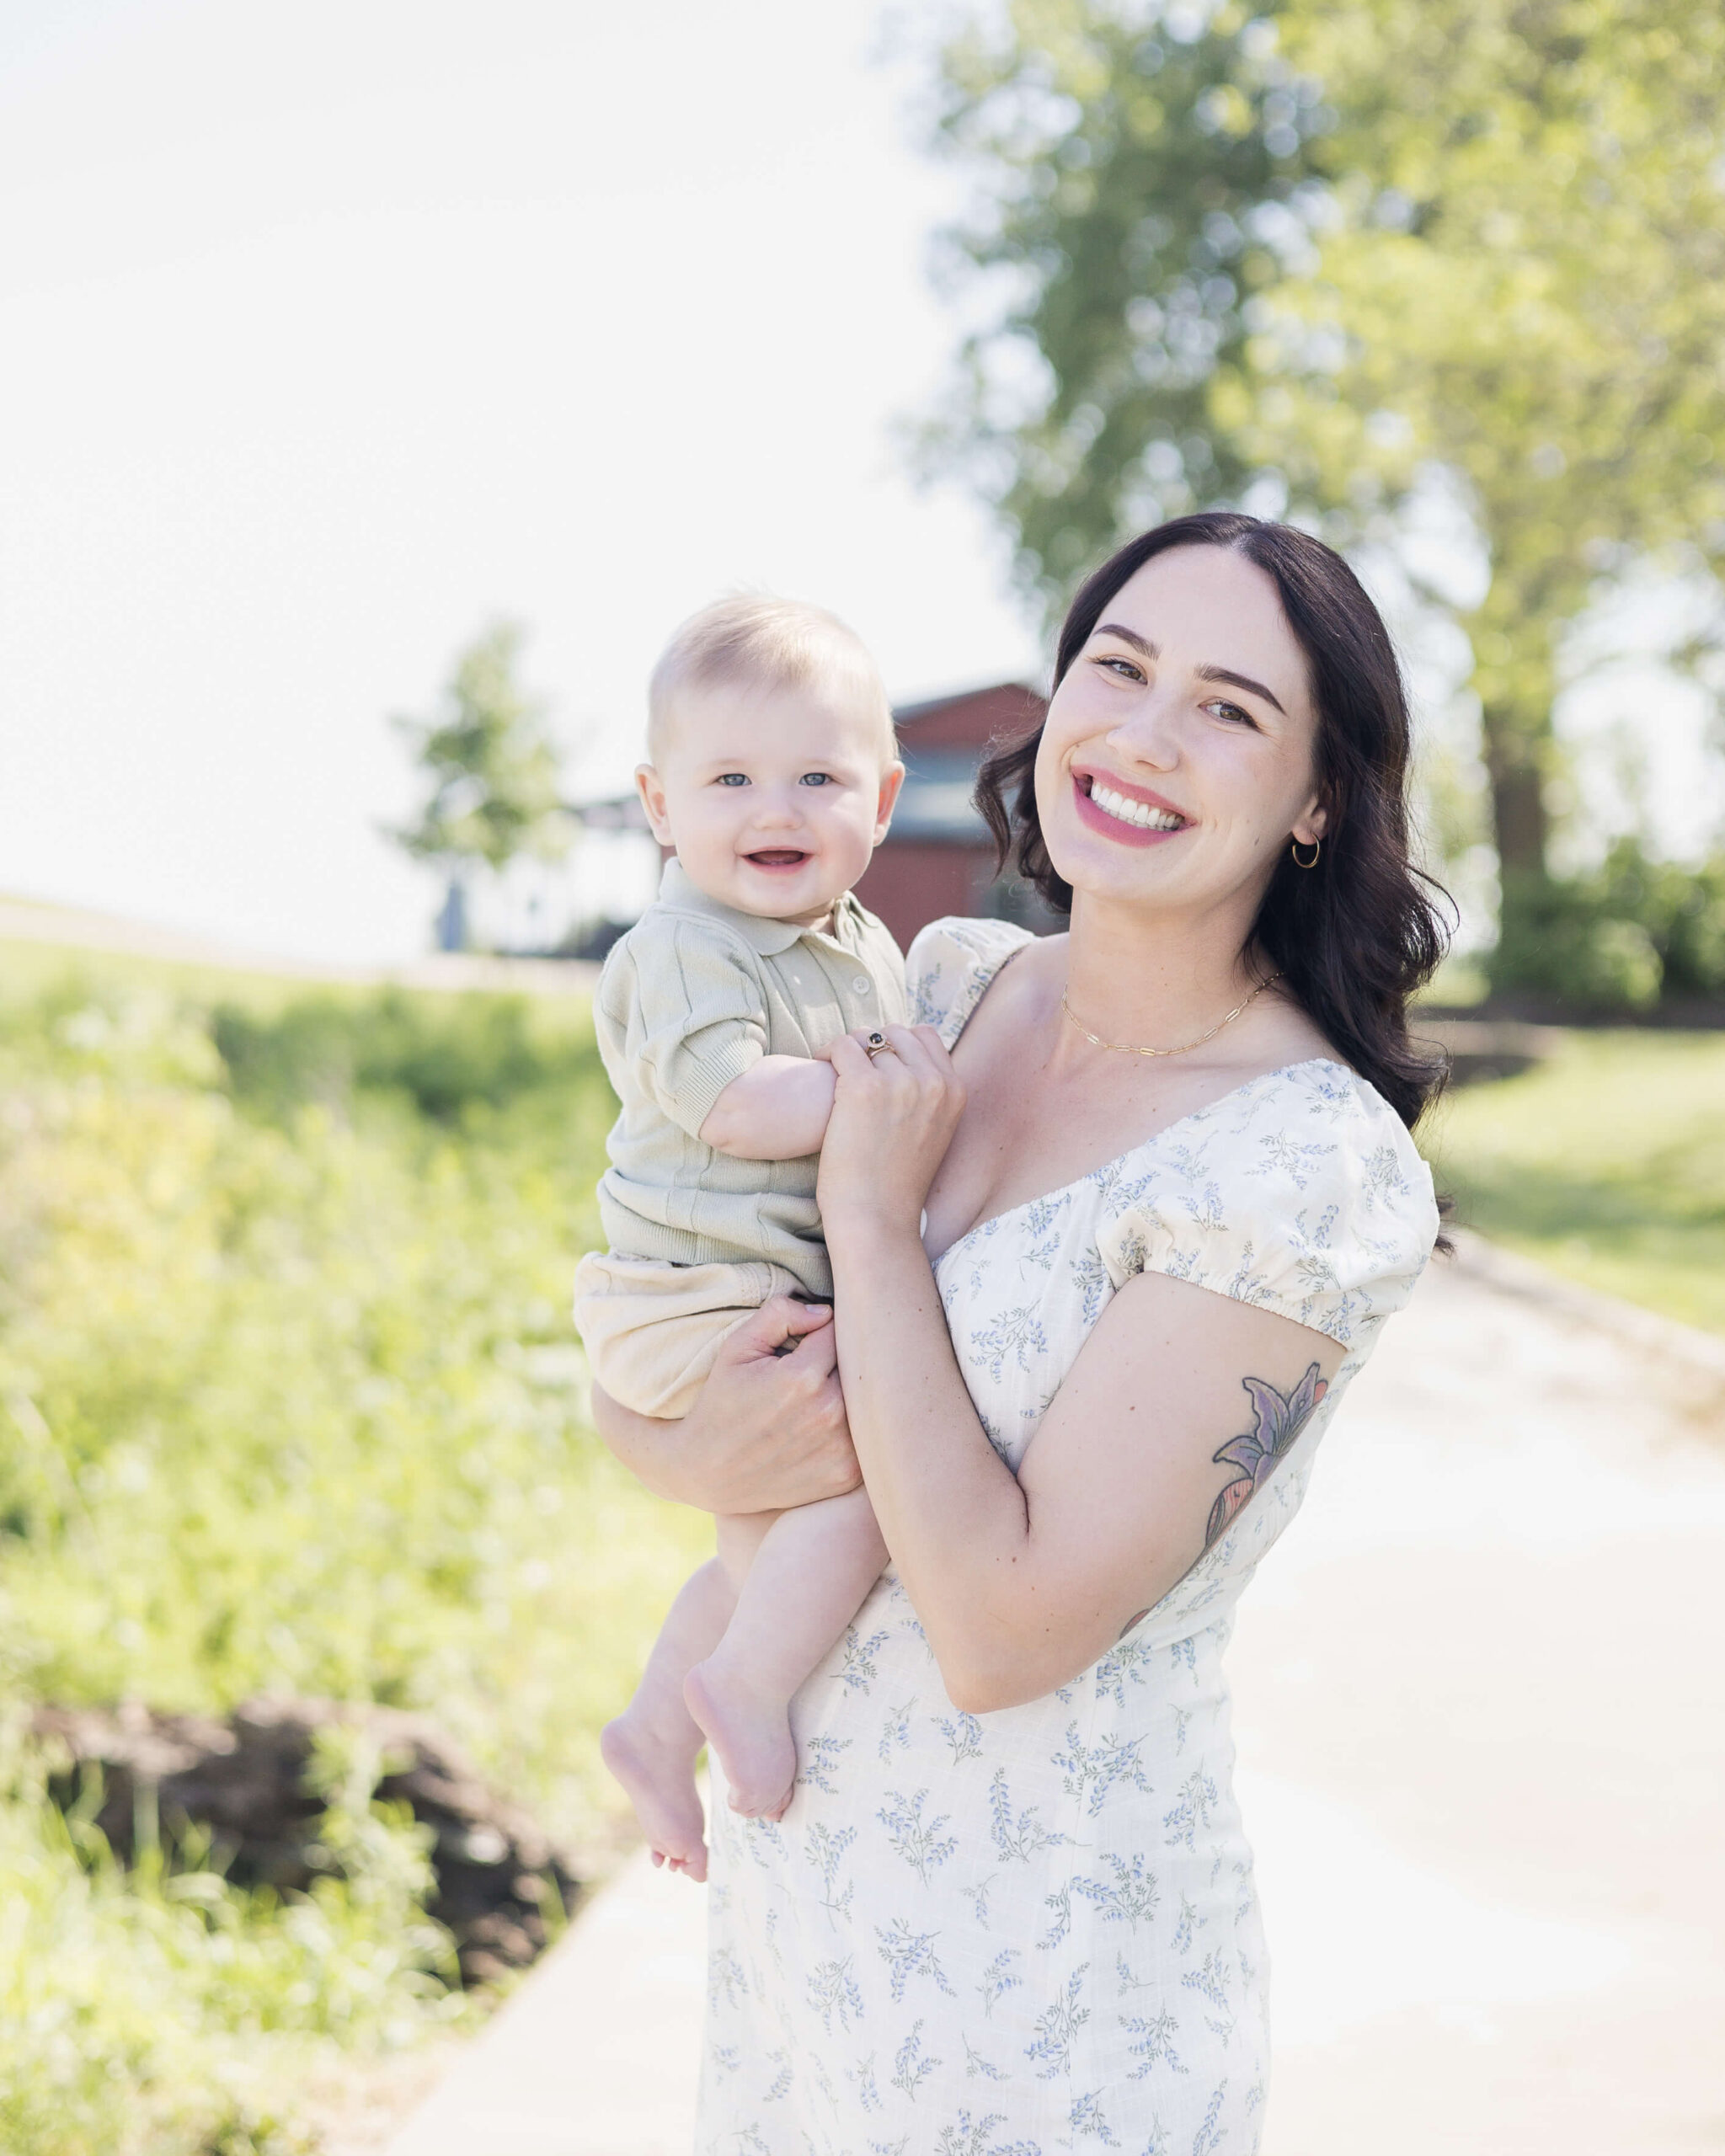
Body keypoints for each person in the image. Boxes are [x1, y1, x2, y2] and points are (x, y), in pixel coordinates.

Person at [594, 513, 1450, 2153]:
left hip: (1041, 1985)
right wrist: (662, 1425)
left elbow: (997, 1631)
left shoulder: (1300, 1163)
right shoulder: (950, 987)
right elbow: (667, 1384)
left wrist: (865, 1206)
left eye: (1226, 706)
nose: (1139, 731)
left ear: (1320, 797)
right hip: (802, 1934)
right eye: (1115, 669)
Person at [578, 594, 909, 1878]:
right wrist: (891, 1094)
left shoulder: (862, 944)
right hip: (684, 1294)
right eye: (730, 779)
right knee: (868, 1485)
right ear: (660, 807)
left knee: (765, 1551)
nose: (776, 810)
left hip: (741, 1288)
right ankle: (749, 1694)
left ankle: (658, 1733)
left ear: (881, 803)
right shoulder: (681, 947)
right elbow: (737, 1104)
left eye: (817, 778)